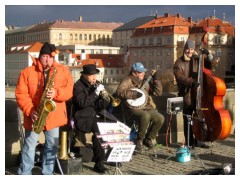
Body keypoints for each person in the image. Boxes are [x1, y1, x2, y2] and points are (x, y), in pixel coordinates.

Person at [15, 42, 74, 175]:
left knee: (52, 147)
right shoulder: (27, 72)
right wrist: (30, 110)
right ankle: (24, 173)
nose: (47, 60)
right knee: (29, 146)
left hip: (53, 115)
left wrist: (56, 93)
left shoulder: (63, 70)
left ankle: (47, 174)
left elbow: (69, 91)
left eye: (50, 57)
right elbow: (21, 94)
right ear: (40, 56)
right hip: (34, 115)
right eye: (45, 56)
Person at [115, 62, 165, 152]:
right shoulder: (127, 80)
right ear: (134, 73)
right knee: (144, 116)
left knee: (160, 118)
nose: (143, 73)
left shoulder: (145, 81)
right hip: (131, 109)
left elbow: (158, 93)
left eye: (143, 72)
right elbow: (119, 92)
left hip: (146, 107)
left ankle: (148, 138)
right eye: (141, 72)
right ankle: (139, 140)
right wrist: (133, 94)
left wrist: (156, 79)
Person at [173, 39, 213, 149]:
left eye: (191, 49)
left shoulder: (196, 60)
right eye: (188, 49)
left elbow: (210, 65)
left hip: (198, 95)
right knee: (188, 119)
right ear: (184, 49)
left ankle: (199, 140)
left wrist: (208, 54)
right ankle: (190, 142)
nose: (189, 51)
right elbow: (180, 77)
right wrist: (192, 82)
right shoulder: (179, 62)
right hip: (187, 95)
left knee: (199, 119)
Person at [72, 64, 108, 174]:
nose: (94, 78)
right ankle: (99, 163)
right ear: (85, 76)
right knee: (100, 131)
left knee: (112, 125)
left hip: (93, 116)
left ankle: (106, 156)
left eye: (95, 75)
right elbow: (82, 103)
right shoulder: (78, 86)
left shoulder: (94, 85)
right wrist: (96, 93)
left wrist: (103, 98)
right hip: (82, 118)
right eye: (91, 76)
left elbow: (100, 106)